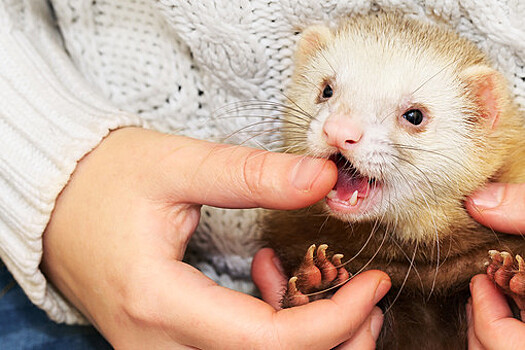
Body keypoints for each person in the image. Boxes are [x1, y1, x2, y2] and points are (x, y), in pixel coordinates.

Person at [0, 1, 523, 349]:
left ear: (485, 120)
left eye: (413, 118)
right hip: (98, 278)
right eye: (326, 94)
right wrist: (60, 177)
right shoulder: (310, 225)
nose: (340, 128)